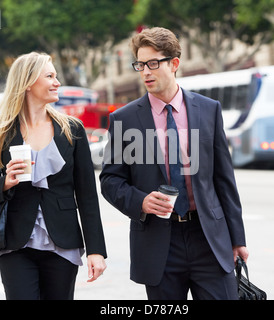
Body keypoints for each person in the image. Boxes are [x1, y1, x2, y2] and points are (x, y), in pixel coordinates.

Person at [100, 27, 248, 300]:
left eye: (153, 64)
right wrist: (140, 201)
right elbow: (110, 181)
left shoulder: (208, 110)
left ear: (175, 64)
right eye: (140, 65)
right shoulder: (125, 119)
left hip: (209, 239)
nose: (145, 72)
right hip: (159, 244)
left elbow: (224, 178)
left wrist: (237, 238)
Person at [0, 52, 107, 300]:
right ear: (28, 83)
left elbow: (87, 195)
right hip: (14, 243)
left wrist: (96, 250)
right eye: (50, 76)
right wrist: (4, 182)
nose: (57, 82)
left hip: (63, 242)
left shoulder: (72, 129)